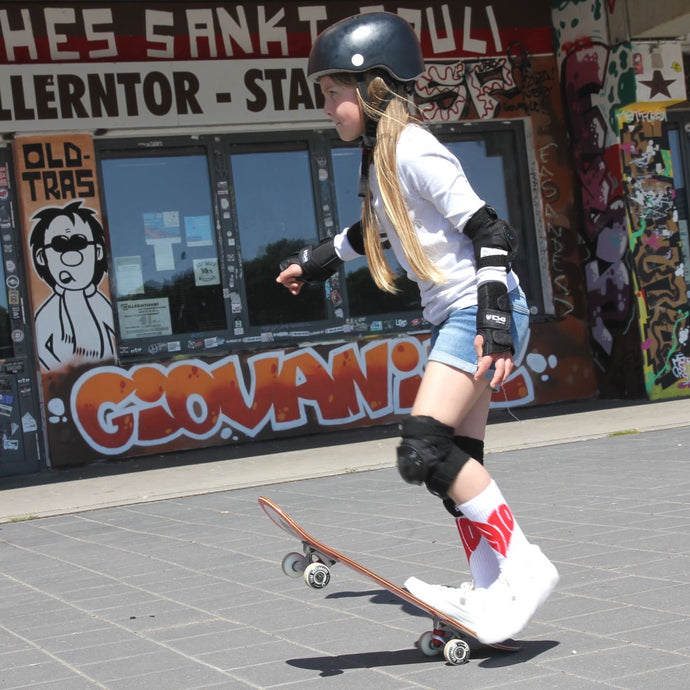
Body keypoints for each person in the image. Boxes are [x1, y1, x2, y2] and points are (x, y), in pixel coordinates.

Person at [276, 11, 558, 645]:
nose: (326, 107)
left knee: (424, 448)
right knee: (456, 464)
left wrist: (494, 323)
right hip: (463, 315)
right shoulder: (382, 158)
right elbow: (371, 233)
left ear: (373, 86)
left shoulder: (412, 147)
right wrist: (315, 262)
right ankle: (491, 593)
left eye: (332, 92)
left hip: (478, 310)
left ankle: (523, 567)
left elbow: (491, 230)